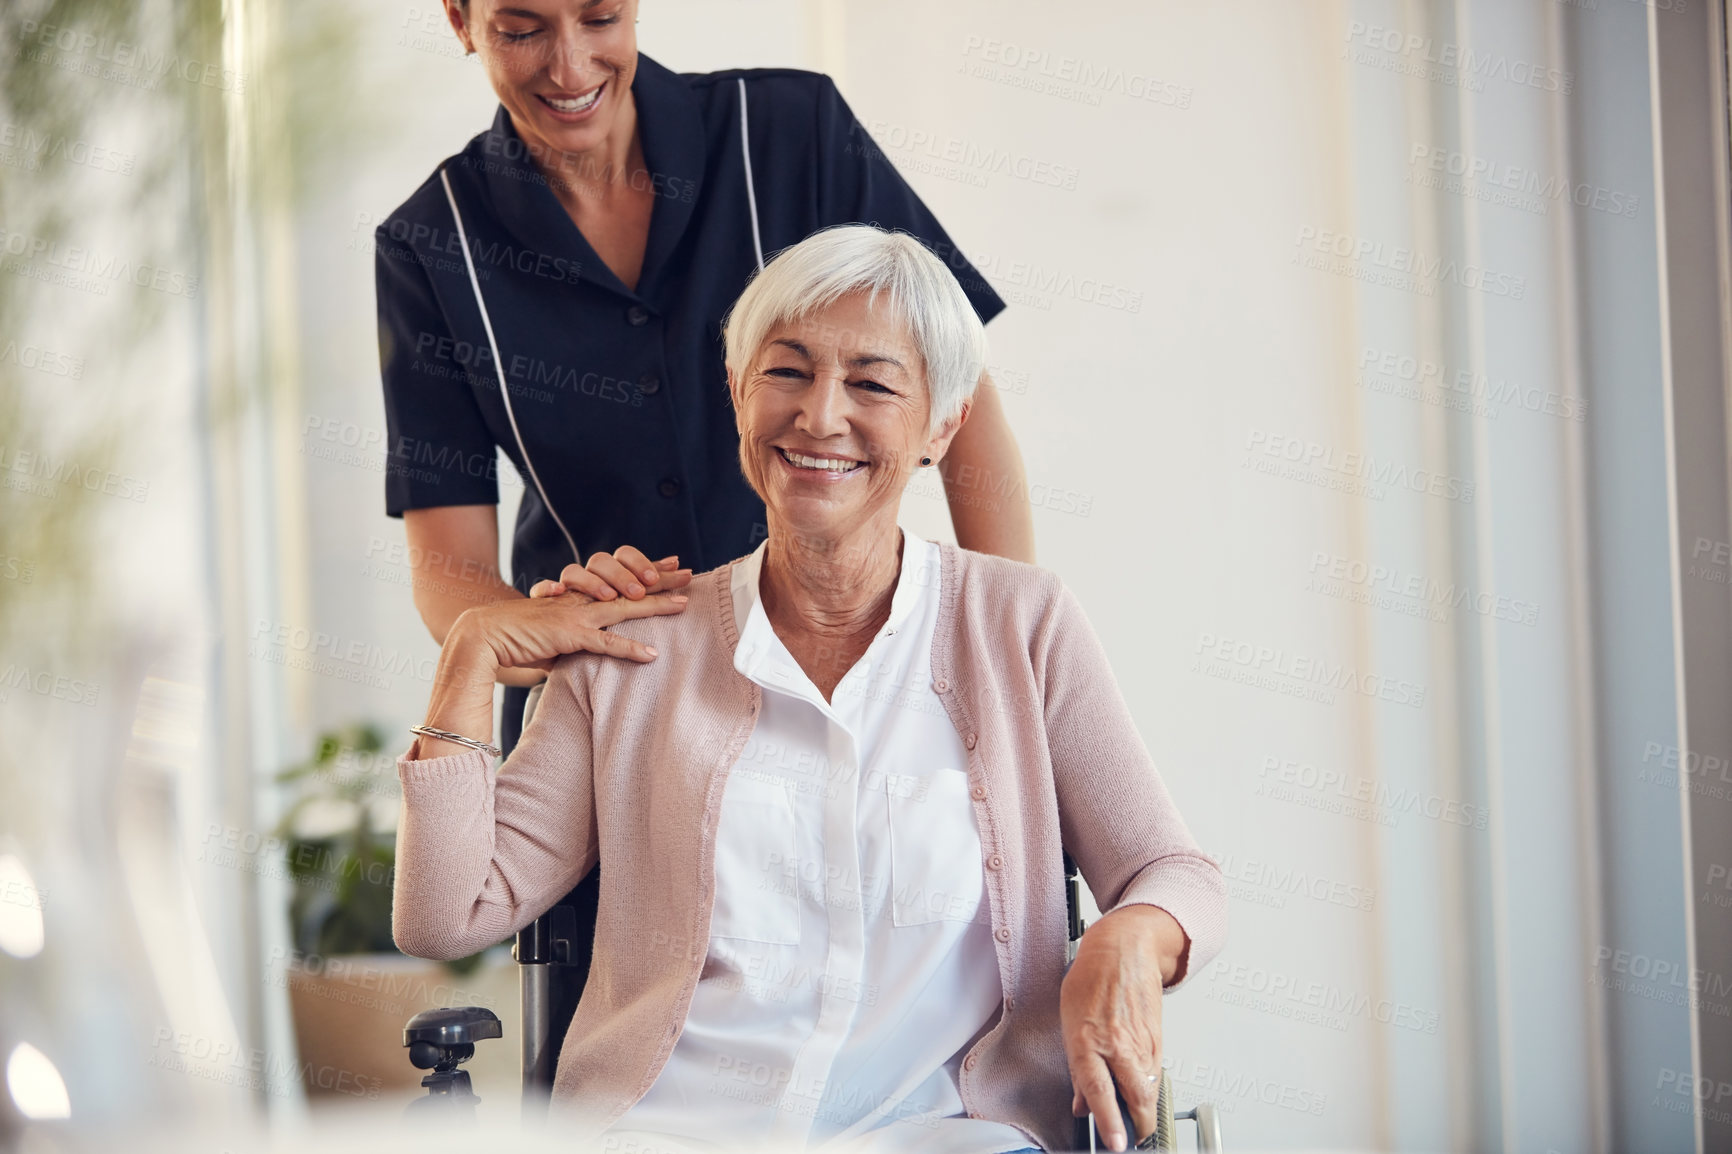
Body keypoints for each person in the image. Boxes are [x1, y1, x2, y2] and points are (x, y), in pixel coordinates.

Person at [392, 227, 1225, 1154]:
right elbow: (443, 915)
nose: (820, 417)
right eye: (786, 373)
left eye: (871, 384)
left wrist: (1125, 941)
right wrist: (469, 655)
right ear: (740, 395)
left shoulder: (1019, 625)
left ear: (941, 427)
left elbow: (1176, 873)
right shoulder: (636, 649)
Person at [376, 0, 1035, 755]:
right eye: (521, 30)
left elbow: (963, 407)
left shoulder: (792, 133)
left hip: (847, 684)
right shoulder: (429, 244)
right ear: (461, 21)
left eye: (599, 18)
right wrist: (539, 640)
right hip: (604, 720)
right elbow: (449, 568)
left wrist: (999, 646)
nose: (569, 67)